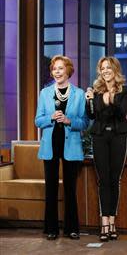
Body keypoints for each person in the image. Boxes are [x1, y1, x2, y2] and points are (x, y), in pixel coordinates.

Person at [35, 55, 88, 240]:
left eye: (60, 68)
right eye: (54, 69)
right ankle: (51, 229)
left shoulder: (79, 94)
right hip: (50, 145)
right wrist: (50, 117)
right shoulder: (44, 93)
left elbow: (84, 123)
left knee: (70, 189)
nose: (57, 72)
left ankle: (71, 228)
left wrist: (69, 120)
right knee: (51, 188)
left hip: (71, 146)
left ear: (68, 71)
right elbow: (37, 120)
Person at [85, 57, 127, 242]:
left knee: (115, 179)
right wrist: (91, 100)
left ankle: (113, 222)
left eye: (108, 68)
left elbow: (121, 112)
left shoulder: (126, 90)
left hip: (119, 136)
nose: (105, 71)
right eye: (102, 68)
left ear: (115, 70)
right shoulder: (95, 91)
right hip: (99, 137)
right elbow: (91, 114)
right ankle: (104, 223)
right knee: (103, 180)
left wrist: (110, 98)